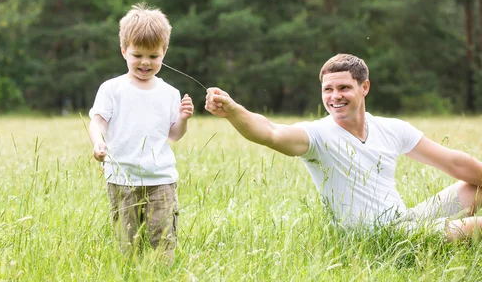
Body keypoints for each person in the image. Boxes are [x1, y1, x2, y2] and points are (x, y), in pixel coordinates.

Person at [205, 53, 482, 240]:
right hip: (379, 238)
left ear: (365, 87)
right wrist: (233, 111)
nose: (334, 96)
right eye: (328, 89)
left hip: (405, 221)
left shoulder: (391, 128)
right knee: (476, 226)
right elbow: (270, 133)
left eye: (344, 88)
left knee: (476, 185)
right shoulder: (317, 136)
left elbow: (455, 163)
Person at [88, 3, 194, 265]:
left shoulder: (169, 92)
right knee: (128, 240)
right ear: (124, 50)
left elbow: (174, 135)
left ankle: (162, 273)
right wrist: (98, 143)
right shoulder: (112, 89)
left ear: (164, 53)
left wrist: (182, 118)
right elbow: (97, 121)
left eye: (153, 56)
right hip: (122, 179)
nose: (145, 62)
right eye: (137, 55)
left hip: (161, 179)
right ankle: (131, 272)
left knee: (163, 238)